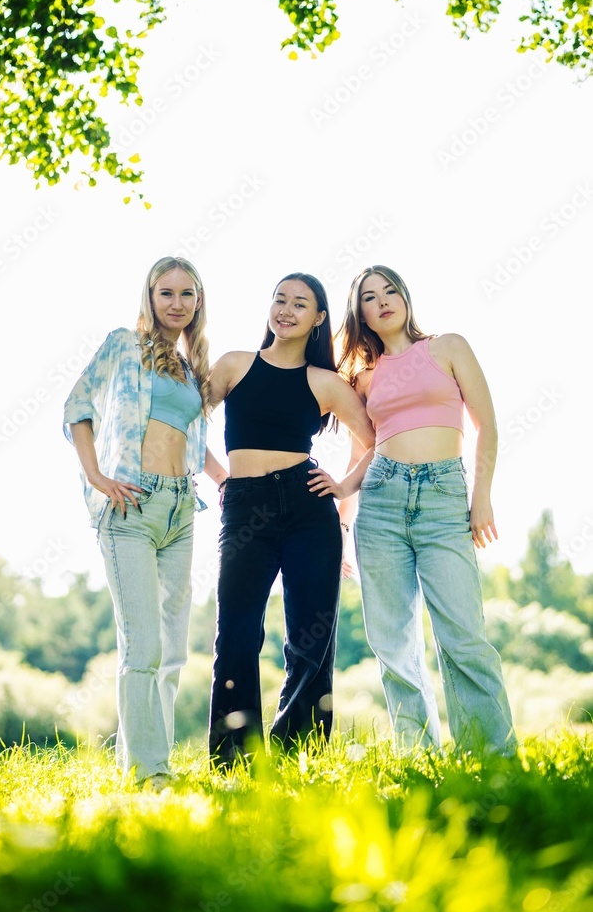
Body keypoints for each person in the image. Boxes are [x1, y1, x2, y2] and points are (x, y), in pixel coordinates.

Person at [309, 265, 517, 755]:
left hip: (444, 497)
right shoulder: (363, 378)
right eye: (369, 297)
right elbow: (367, 447)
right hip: (381, 503)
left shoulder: (448, 348)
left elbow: (487, 424)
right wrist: (343, 508)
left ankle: (493, 755)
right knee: (392, 642)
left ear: (405, 297)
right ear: (359, 314)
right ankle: (418, 754)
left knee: (463, 635)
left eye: (390, 291)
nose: (382, 301)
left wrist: (481, 497)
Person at [63, 256, 226, 789]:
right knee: (143, 646)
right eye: (165, 293)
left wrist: (224, 480)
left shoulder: (189, 367)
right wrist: (97, 475)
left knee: (173, 650)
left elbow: (188, 438)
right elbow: (77, 407)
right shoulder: (124, 346)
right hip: (131, 507)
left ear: (198, 301)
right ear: (150, 297)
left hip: (181, 509)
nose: (176, 303)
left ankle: (145, 758)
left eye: (186, 294)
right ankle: (149, 773)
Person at [207, 273, 375, 766]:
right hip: (245, 506)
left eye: (299, 303)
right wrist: (222, 478)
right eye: (279, 299)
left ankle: (296, 753)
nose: (286, 309)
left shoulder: (326, 382)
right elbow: (185, 423)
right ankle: (234, 757)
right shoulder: (234, 365)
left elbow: (376, 439)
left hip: (308, 510)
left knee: (310, 639)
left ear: (318, 318)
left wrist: (343, 487)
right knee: (236, 634)